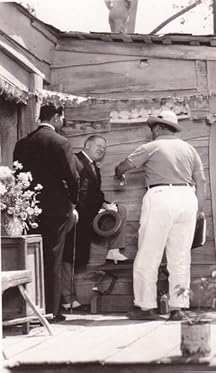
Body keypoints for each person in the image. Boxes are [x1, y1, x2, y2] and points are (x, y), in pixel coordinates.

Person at [114, 110, 206, 320]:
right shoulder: (189, 149)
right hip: (187, 197)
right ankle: (178, 308)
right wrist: (199, 210)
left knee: (148, 252)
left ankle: (145, 307)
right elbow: (201, 181)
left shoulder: (151, 146)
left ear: (158, 127)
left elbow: (123, 166)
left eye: (153, 127)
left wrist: (118, 175)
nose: (152, 131)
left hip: (160, 195)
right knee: (180, 256)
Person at [13, 103, 79, 322]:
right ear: (57, 117)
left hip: (29, 210)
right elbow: (73, 178)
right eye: (63, 117)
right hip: (57, 209)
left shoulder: (22, 144)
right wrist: (73, 203)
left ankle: (33, 307)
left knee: (31, 256)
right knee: (53, 258)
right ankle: (51, 310)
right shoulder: (61, 142)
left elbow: (17, 176)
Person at [62, 135, 128, 310]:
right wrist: (73, 209)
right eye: (98, 145)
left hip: (90, 218)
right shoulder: (76, 160)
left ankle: (113, 251)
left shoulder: (94, 167)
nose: (101, 149)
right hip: (76, 217)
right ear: (87, 145)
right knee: (69, 257)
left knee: (120, 210)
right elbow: (72, 188)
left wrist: (105, 204)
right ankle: (67, 299)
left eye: (104, 148)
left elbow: (95, 193)